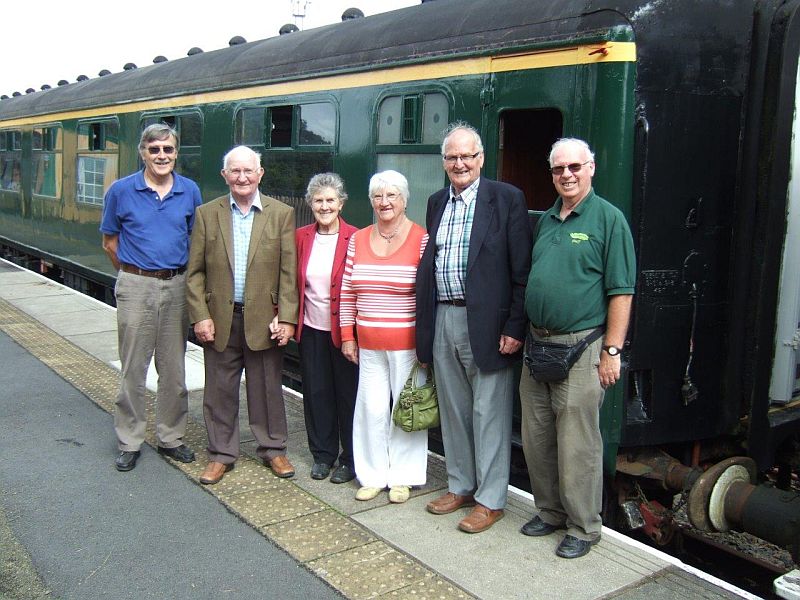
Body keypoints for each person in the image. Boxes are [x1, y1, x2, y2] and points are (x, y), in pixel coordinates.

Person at [520, 138, 636, 558]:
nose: (566, 175)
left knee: (578, 444)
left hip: (582, 347)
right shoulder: (548, 219)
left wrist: (612, 351)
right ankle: (549, 512)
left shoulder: (608, 219)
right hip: (538, 345)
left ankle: (584, 527)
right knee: (537, 438)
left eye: (574, 167)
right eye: (558, 169)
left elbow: (621, 292)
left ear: (592, 168)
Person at [416, 122, 532, 533]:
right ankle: (461, 486)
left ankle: (490, 499)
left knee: (489, 414)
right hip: (444, 315)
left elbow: (522, 270)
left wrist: (515, 325)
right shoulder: (435, 203)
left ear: (481, 159)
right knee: (454, 411)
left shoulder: (506, 199)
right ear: (444, 162)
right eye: (452, 157)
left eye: (467, 156)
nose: (460, 163)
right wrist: (425, 332)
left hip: (488, 322)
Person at [186, 145, 298, 485]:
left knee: (267, 388)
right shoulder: (207, 214)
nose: (242, 177)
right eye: (235, 171)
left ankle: (273, 448)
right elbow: (194, 273)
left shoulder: (282, 214)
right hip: (220, 318)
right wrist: (200, 315)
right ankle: (221, 454)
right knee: (219, 390)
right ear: (225, 176)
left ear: (260, 174)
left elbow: (289, 272)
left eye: (248, 170)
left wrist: (289, 318)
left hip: (265, 319)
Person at [100, 123, 201, 472]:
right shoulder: (121, 191)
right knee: (133, 366)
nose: (162, 156)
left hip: (176, 285)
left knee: (173, 368)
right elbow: (110, 242)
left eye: (168, 150)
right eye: (154, 149)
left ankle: (171, 438)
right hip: (135, 285)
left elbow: (193, 241)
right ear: (143, 152)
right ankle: (130, 440)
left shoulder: (189, 191)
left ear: (176, 153)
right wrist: (133, 273)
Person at [340, 170, 429, 504]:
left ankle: (403, 477)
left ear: (405, 200)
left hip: (407, 345)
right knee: (372, 410)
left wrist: (426, 342)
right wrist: (348, 335)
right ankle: (373, 474)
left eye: (392, 195)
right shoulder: (358, 239)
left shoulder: (421, 238)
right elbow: (348, 291)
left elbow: (426, 296)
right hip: (369, 344)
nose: (385, 202)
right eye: (378, 196)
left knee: (406, 411)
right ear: (371, 201)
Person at [294, 173, 359, 483]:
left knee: (348, 396)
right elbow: (289, 283)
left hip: (345, 333)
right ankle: (322, 455)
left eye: (330, 200)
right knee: (317, 394)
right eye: (318, 200)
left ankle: (350, 460)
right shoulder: (300, 237)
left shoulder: (357, 238)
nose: (324, 206)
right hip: (310, 330)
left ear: (341, 203)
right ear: (310, 204)